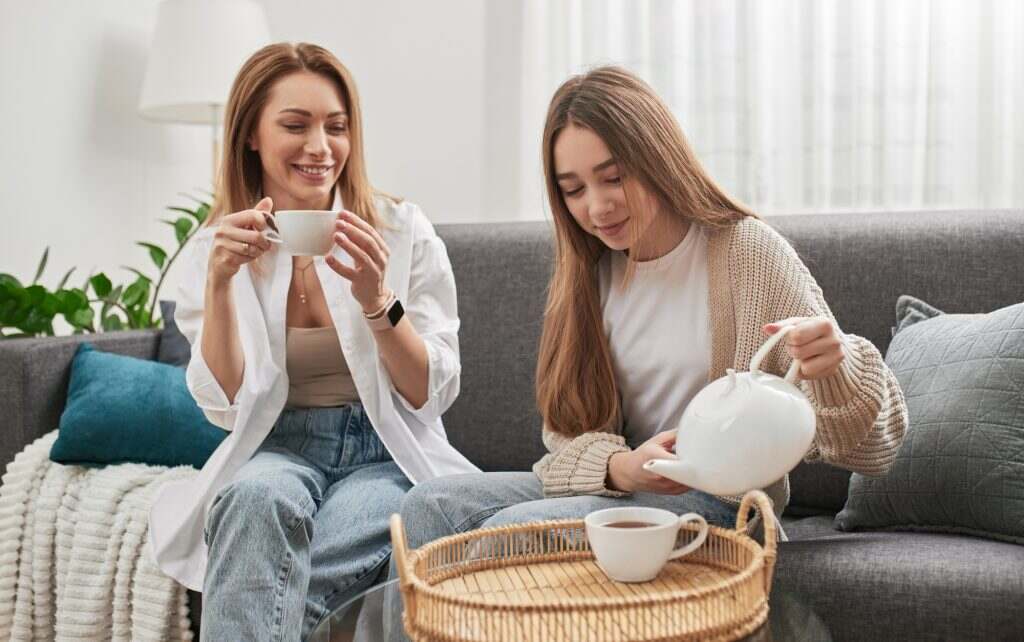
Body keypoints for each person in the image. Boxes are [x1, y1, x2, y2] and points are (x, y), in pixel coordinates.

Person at [385, 66, 907, 640]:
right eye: (574, 189)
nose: (597, 207)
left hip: (716, 510)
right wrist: (620, 466)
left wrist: (834, 368)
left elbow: (873, 448)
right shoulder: (588, 273)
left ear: (656, 157)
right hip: (617, 492)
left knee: (524, 529)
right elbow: (562, 439)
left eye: (613, 177)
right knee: (428, 507)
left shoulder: (744, 252)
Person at [146, 42, 478, 641]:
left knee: (292, 567)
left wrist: (379, 302)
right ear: (251, 134)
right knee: (249, 504)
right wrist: (221, 284)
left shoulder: (402, 232)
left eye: (337, 127)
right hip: (277, 446)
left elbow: (431, 392)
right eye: (295, 126)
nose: (320, 148)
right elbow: (222, 406)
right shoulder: (214, 251)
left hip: (385, 450)